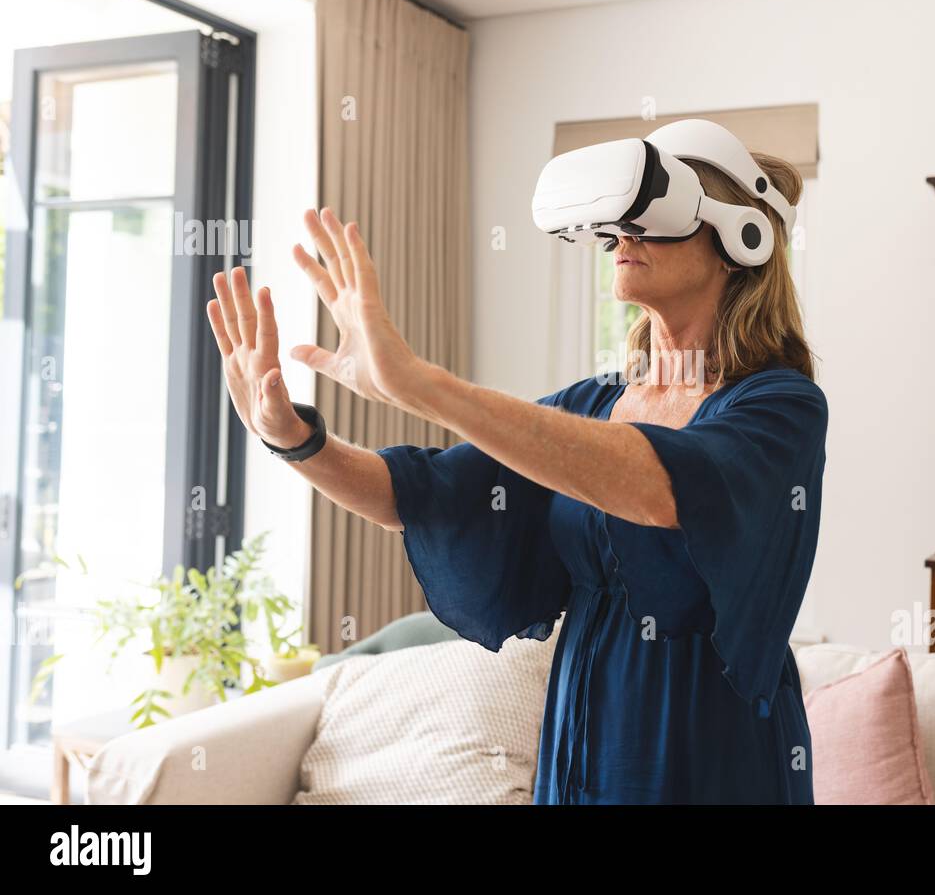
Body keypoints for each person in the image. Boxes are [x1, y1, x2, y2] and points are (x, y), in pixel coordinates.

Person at [206, 146, 827, 804]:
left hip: (712, 746)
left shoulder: (780, 407)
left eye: (654, 216)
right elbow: (423, 493)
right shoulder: (597, 401)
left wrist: (420, 384)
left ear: (741, 239)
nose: (621, 236)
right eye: (618, 220)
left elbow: (661, 487)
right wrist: (294, 439)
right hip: (583, 728)